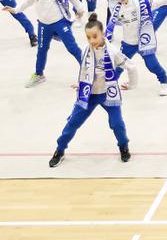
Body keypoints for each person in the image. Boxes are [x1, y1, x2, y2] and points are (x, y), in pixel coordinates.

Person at [49, 13, 136, 167]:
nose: (91, 41)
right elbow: (85, 71)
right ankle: (60, 149)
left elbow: (131, 67)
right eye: (88, 38)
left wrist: (131, 84)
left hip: (108, 94)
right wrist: (80, 84)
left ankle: (123, 146)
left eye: (95, 36)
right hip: (88, 94)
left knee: (117, 124)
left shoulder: (113, 51)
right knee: (72, 123)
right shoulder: (86, 50)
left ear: (102, 34)